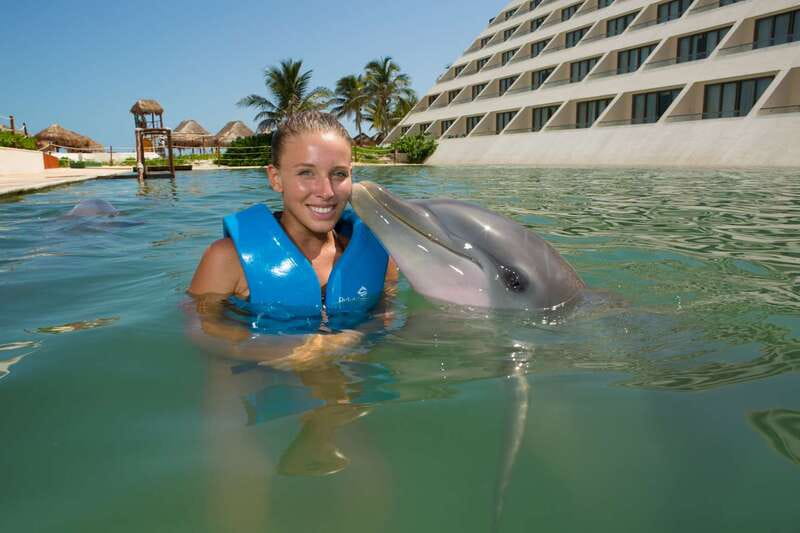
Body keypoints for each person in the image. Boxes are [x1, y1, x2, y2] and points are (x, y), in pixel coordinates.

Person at [189, 110, 397, 346]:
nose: (326, 192)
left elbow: (385, 317)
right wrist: (292, 352)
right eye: (306, 173)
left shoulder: (378, 256)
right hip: (259, 378)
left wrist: (347, 340)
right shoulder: (227, 259)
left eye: (339, 174)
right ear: (275, 178)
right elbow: (200, 330)